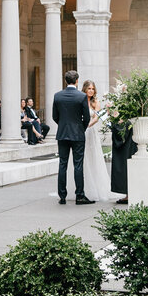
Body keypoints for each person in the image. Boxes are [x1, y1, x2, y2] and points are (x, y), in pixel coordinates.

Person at [51, 71, 92, 205]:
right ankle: (79, 195)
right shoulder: (81, 96)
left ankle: (62, 196)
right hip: (77, 134)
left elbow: (55, 117)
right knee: (78, 165)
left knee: (62, 164)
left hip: (62, 134)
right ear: (77, 81)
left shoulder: (57, 96)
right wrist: (81, 128)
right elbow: (86, 118)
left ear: (65, 81)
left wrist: (63, 125)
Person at [79, 80, 115, 202]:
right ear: (84, 89)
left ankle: (95, 188)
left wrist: (87, 126)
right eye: (89, 88)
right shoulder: (80, 100)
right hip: (80, 131)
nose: (91, 91)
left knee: (93, 157)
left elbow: (97, 118)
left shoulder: (96, 102)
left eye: (92, 89)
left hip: (90, 131)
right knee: (82, 159)